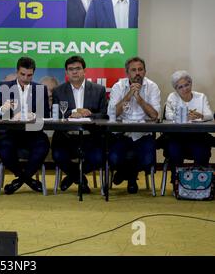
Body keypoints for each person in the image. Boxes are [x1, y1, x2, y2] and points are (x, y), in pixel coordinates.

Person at [0, 57, 50, 195]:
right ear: (17, 72)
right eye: (22, 74)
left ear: (33, 73)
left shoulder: (41, 89)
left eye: (29, 75)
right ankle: (28, 180)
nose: (25, 78)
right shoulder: (4, 87)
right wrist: (3, 110)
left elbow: (46, 115)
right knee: (1, 145)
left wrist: (35, 116)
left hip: (33, 133)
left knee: (43, 145)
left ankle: (19, 181)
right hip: (10, 133)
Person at [51, 56, 107, 193]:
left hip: (91, 137)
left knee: (99, 156)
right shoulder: (58, 91)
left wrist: (89, 114)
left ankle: (72, 177)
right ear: (66, 72)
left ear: (84, 71)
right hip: (67, 137)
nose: (74, 72)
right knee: (57, 154)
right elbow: (56, 115)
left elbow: (105, 115)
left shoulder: (98, 90)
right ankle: (80, 178)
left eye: (78, 69)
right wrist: (72, 112)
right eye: (71, 69)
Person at [108, 57, 160, 194]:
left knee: (148, 160)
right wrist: (129, 94)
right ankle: (130, 176)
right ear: (127, 73)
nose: (137, 73)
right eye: (133, 70)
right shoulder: (118, 87)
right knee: (113, 158)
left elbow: (155, 115)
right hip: (122, 134)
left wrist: (139, 98)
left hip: (144, 134)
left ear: (145, 71)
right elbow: (112, 113)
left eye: (140, 69)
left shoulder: (152, 87)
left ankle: (124, 173)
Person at [164, 70, 213, 181]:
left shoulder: (201, 97)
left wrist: (201, 116)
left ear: (191, 83)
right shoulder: (172, 97)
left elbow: (209, 115)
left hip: (197, 136)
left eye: (187, 85)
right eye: (180, 87)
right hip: (177, 136)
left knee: (203, 150)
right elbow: (168, 116)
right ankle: (176, 181)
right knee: (173, 149)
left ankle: (199, 181)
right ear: (176, 89)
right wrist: (182, 116)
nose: (185, 89)